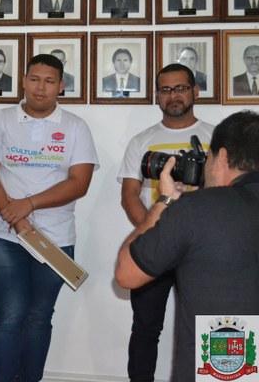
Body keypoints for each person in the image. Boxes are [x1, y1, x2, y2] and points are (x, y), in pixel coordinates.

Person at [0, 54, 98, 382]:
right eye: (34, 79)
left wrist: (28, 205)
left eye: (49, 81)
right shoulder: (0, 119)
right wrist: (16, 218)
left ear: (61, 86)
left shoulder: (75, 126)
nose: (40, 88)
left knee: (40, 317)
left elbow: (79, 183)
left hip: (55, 239)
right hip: (4, 236)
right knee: (7, 317)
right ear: (23, 81)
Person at [115, 110, 259, 382]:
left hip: (222, 365)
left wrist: (165, 201)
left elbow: (127, 273)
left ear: (222, 157)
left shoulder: (198, 209)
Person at [117, 64, 214, 382]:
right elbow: (129, 195)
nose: (173, 95)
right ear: (157, 95)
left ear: (195, 91)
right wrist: (154, 234)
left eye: (181, 88)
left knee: (212, 325)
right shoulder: (142, 141)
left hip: (203, 251)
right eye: (166, 89)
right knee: (145, 329)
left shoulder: (216, 138)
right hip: (157, 248)